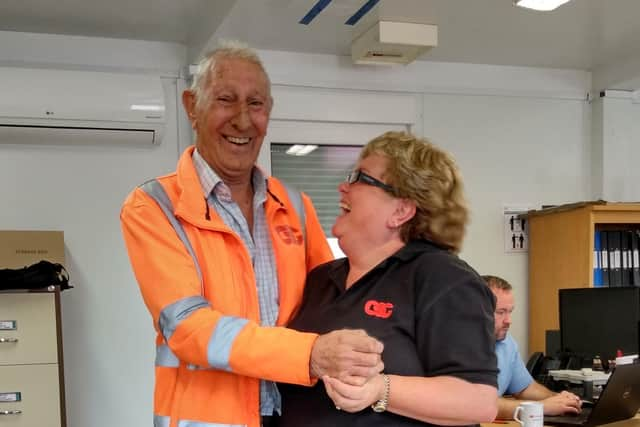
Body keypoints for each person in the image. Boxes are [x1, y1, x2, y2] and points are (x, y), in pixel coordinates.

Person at [120, 41, 384, 427]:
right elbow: (188, 327)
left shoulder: (295, 204)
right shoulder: (154, 205)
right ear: (192, 107)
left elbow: (331, 303)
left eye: (256, 104)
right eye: (226, 99)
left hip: (297, 410)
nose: (243, 120)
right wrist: (310, 353)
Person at [279, 131, 499, 426]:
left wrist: (380, 389)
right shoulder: (321, 278)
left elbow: (478, 402)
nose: (344, 187)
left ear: (401, 211)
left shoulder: (444, 279)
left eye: (362, 178)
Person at [483, 275, 582, 418]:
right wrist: (541, 407)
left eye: (510, 312)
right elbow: (479, 404)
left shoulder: (507, 342)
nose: (508, 321)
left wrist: (559, 399)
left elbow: (525, 388)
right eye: (500, 312)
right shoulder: (458, 346)